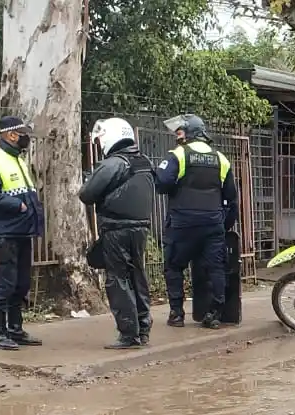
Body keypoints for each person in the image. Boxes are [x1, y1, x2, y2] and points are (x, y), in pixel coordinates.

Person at [155, 114, 238, 329]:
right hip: (212, 225)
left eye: (180, 132)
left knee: (174, 266)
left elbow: (161, 183)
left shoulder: (179, 155)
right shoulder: (221, 159)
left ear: (190, 132)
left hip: (182, 225)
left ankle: (177, 314)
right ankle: (214, 314)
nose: (178, 136)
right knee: (216, 269)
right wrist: (224, 224)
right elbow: (231, 195)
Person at [81, 117, 156, 349]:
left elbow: (86, 194)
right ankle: (143, 328)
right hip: (140, 228)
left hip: (116, 229)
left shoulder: (114, 163)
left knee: (118, 279)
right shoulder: (144, 161)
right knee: (138, 276)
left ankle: (128, 334)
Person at [0, 116, 44, 351]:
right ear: (11, 135)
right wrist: (18, 206)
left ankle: (16, 330)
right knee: (5, 283)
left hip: (24, 232)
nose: (27, 137)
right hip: (6, 232)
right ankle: (0, 333)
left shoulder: (18, 160)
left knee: (21, 283)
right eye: (23, 133)